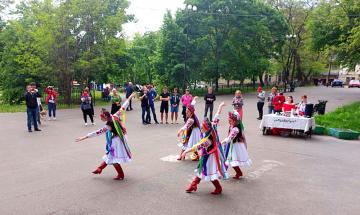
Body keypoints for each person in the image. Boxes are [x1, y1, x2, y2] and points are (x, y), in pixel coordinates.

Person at [76, 93, 136, 180]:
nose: (101, 120)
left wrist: (85, 137)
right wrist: (130, 97)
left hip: (117, 140)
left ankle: (119, 174)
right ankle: (100, 168)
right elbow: (124, 107)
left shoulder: (108, 125)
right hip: (119, 138)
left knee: (113, 158)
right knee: (110, 156)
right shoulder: (114, 115)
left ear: (104, 117)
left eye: (101, 118)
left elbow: (98, 132)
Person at [181, 102, 228, 195]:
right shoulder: (211, 127)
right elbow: (216, 117)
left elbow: (197, 146)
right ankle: (193, 185)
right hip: (206, 154)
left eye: (202, 127)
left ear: (206, 128)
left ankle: (218, 188)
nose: (201, 127)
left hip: (210, 157)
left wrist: (186, 151)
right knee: (202, 170)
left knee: (209, 173)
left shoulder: (208, 140)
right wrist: (219, 106)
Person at [221, 111, 252, 179]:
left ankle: (238, 172)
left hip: (236, 146)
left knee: (232, 160)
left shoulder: (236, 129)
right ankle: (238, 172)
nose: (229, 122)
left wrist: (222, 142)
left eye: (230, 121)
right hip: (232, 145)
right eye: (228, 120)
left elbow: (230, 138)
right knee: (231, 160)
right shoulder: (232, 126)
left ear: (235, 121)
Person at [177, 96, 202, 161]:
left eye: (188, 111)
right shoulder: (190, 115)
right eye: (186, 111)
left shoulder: (191, 119)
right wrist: (194, 99)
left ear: (191, 112)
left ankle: (198, 156)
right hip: (190, 130)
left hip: (194, 131)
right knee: (186, 142)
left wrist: (179, 131)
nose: (186, 112)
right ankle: (182, 155)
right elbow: (192, 105)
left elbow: (185, 126)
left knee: (195, 144)